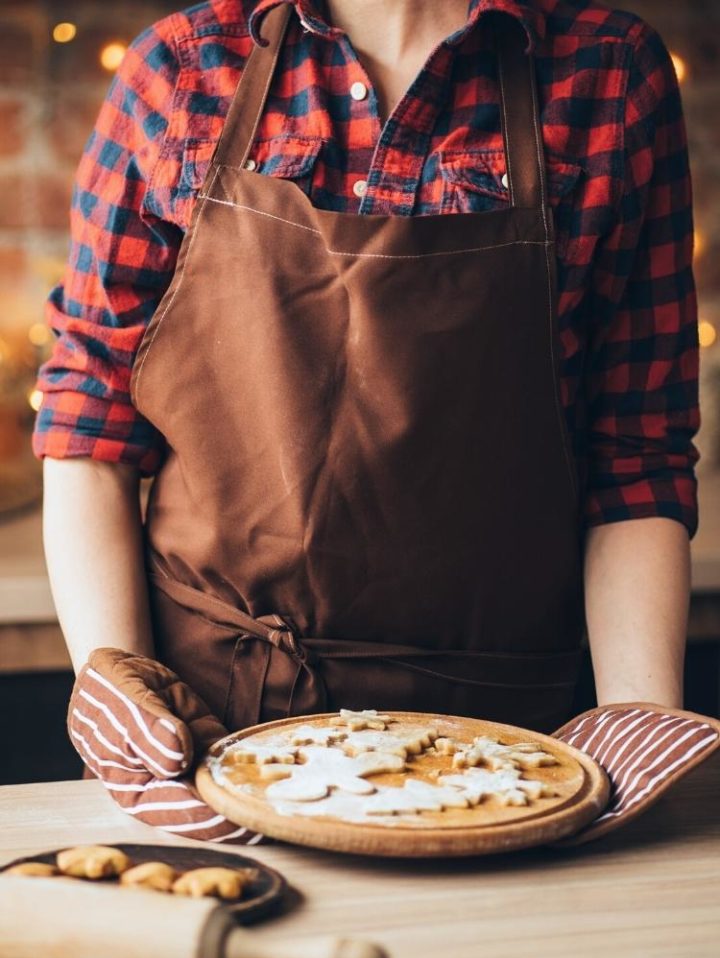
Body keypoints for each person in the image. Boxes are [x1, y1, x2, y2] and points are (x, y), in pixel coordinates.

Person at [33, 0, 712, 843]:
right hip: (204, 726)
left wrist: (636, 715)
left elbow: (635, 446)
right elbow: (89, 414)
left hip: (511, 742)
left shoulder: (608, 71)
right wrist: (116, 679)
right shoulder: (180, 67)